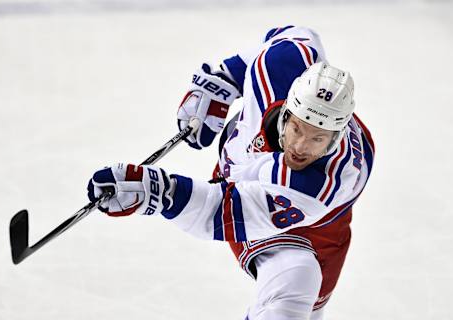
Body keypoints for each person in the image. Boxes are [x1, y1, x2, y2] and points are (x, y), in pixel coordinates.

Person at [87, 25, 375, 320]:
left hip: (314, 223)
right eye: (296, 128)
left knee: (298, 285)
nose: (300, 147)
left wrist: (156, 191)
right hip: (251, 174)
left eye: (318, 138)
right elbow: (294, 33)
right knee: (294, 284)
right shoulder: (282, 64)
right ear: (288, 108)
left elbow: (220, 213)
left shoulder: (318, 184)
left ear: (336, 138)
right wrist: (224, 78)